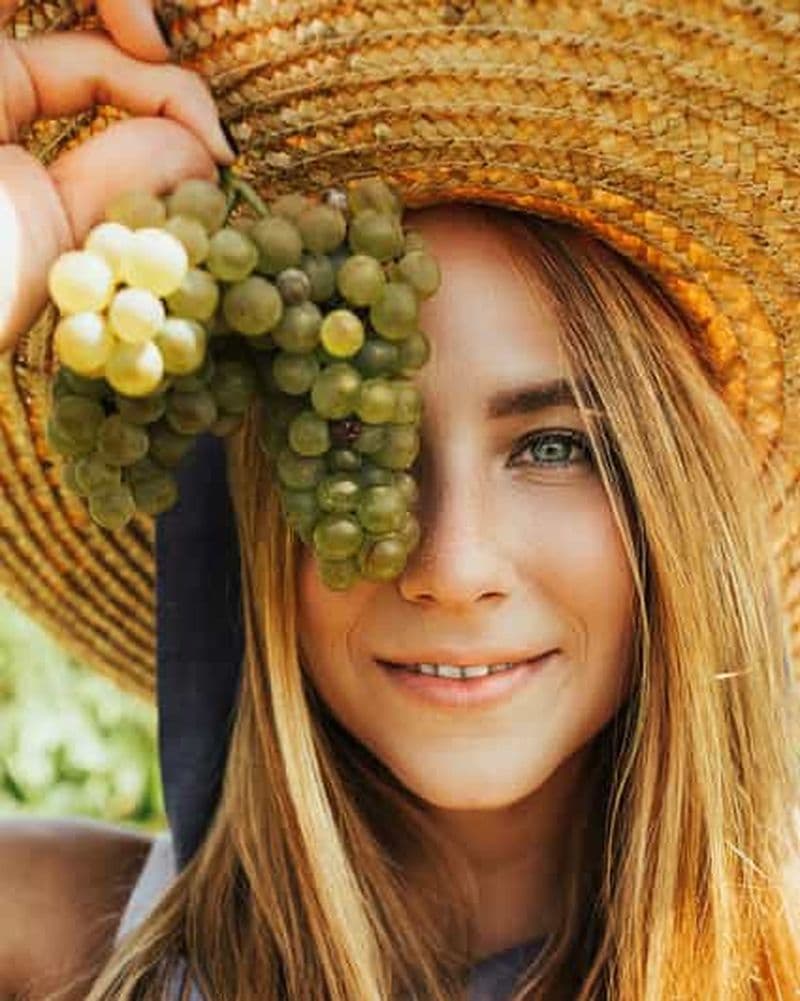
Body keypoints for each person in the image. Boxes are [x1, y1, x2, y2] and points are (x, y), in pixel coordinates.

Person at [0, 3, 798, 1000]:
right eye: (353, 440)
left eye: (552, 446)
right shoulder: (47, 940)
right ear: (256, 509)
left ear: (674, 499)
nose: (452, 566)